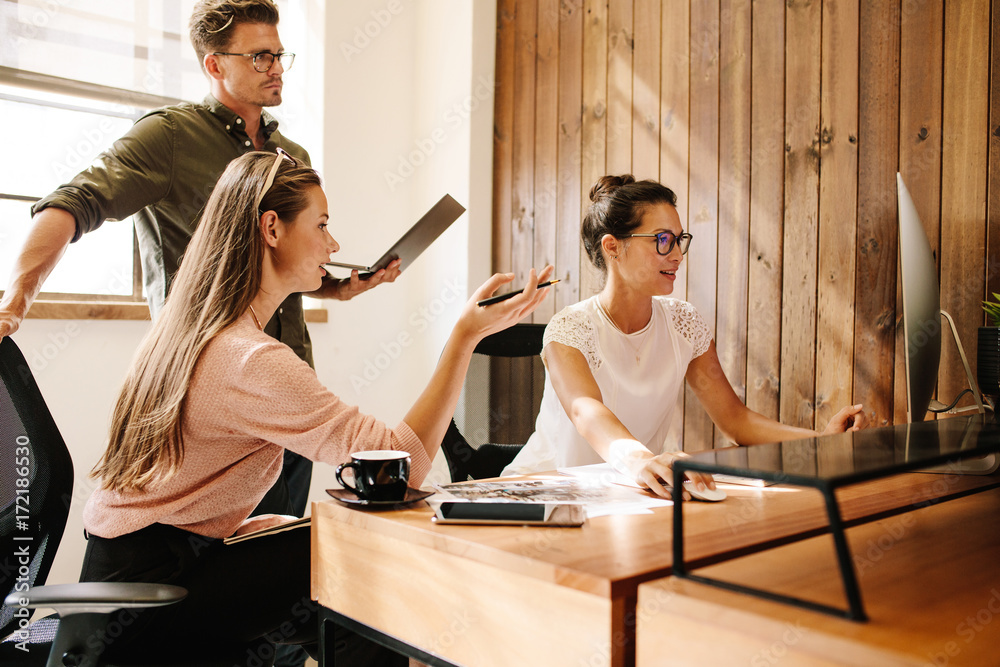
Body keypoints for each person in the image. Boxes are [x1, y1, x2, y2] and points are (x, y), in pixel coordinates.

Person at [78, 150, 554, 662]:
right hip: (153, 600)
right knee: (371, 557)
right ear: (271, 228)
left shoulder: (189, 329)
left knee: (330, 544)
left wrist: (238, 531)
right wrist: (464, 338)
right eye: (322, 224)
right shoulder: (249, 358)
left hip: (125, 575)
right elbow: (398, 465)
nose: (334, 243)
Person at [0, 0, 393, 531]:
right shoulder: (169, 138)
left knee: (276, 570)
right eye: (259, 56)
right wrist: (14, 303)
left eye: (279, 54)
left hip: (287, 382)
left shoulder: (290, 154)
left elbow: (268, 263)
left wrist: (338, 290)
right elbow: (71, 204)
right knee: (194, 569)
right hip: (205, 393)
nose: (275, 67)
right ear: (214, 64)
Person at [502, 175, 866, 498]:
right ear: (612, 247)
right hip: (546, 490)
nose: (676, 254)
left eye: (679, 240)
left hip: (632, 490)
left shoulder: (684, 323)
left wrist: (823, 443)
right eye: (662, 240)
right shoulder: (569, 328)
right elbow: (586, 412)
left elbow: (735, 420)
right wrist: (640, 459)